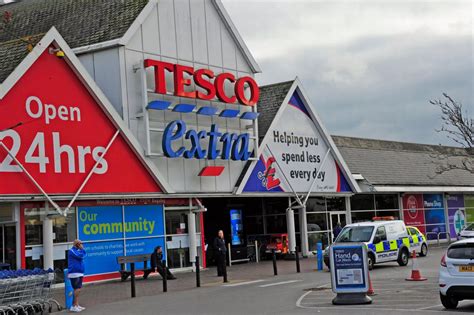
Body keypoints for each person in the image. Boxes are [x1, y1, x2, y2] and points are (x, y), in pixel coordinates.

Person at [68, 239, 86, 313]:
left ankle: (76, 305)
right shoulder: (71, 251)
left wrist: (81, 249)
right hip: (74, 273)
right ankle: (74, 306)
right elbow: (81, 256)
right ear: (77, 244)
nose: (82, 245)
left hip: (79, 273)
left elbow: (84, 255)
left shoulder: (78, 251)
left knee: (78, 289)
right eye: (80, 244)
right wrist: (82, 249)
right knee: (77, 289)